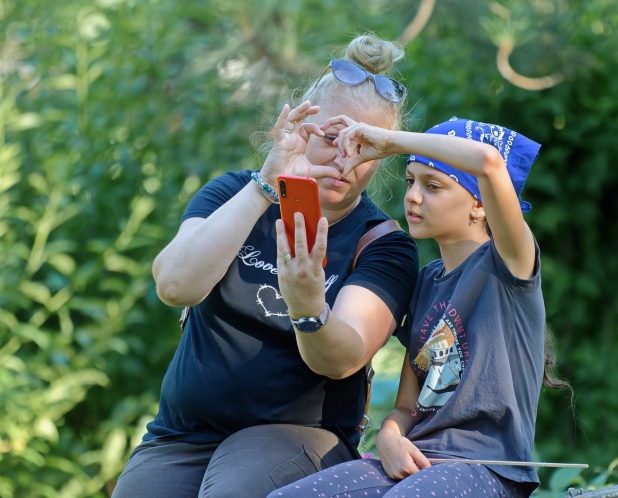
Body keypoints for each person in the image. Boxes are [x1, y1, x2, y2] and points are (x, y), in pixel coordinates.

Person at [112, 34, 420, 498]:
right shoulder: (232, 193)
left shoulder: (383, 244)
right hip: (183, 433)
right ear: (302, 127)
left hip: (299, 436)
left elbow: (340, 360)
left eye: (365, 148)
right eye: (333, 138)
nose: (344, 160)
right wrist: (266, 185)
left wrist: (307, 303)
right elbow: (175, 285)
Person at [269, 116, 570, 498]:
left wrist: (391, 141)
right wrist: (390, 438)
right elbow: (406, 407)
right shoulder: (424, 282)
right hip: (416, 467)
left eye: (433, 186)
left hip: (484, 471)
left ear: (480, 204)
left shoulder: (509, 266)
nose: (413, 196)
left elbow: (489, 163)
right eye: (411, 181)